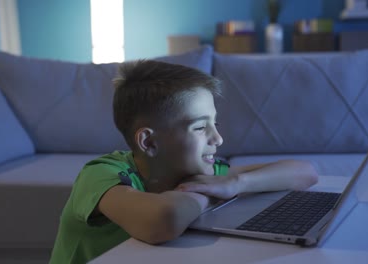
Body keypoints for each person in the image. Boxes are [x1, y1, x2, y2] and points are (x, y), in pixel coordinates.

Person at [49, 60, 318, 263]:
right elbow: (165, 218)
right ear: (149, 143)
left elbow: (304, 172)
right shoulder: (101, 175)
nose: (219, 138)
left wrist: (236, 182)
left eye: (215, 123)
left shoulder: (196, 171)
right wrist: (210, 192)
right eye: (201, 128)